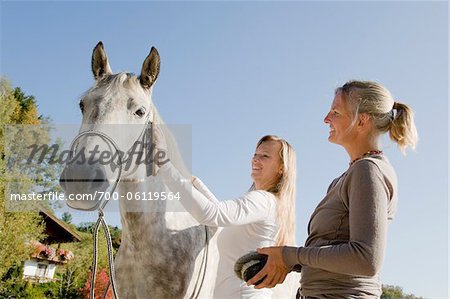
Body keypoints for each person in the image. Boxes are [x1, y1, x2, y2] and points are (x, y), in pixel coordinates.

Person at [248, 80, 418, 298]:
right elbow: (333, 251)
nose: (326, 119)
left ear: (362, 120)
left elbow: (366, 258)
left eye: (335, 112)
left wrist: (290, 255)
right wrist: (286, 262)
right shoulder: (349, 175)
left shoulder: (369, 170)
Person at [154, 134, 297, 298]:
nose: (255, 160)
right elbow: (223, 222)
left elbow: (212, 214)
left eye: (264, 156)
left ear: (281, 167)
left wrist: (164, 165)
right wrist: (197, 185)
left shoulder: (263, 201)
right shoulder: (268, 204)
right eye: (255, 155)